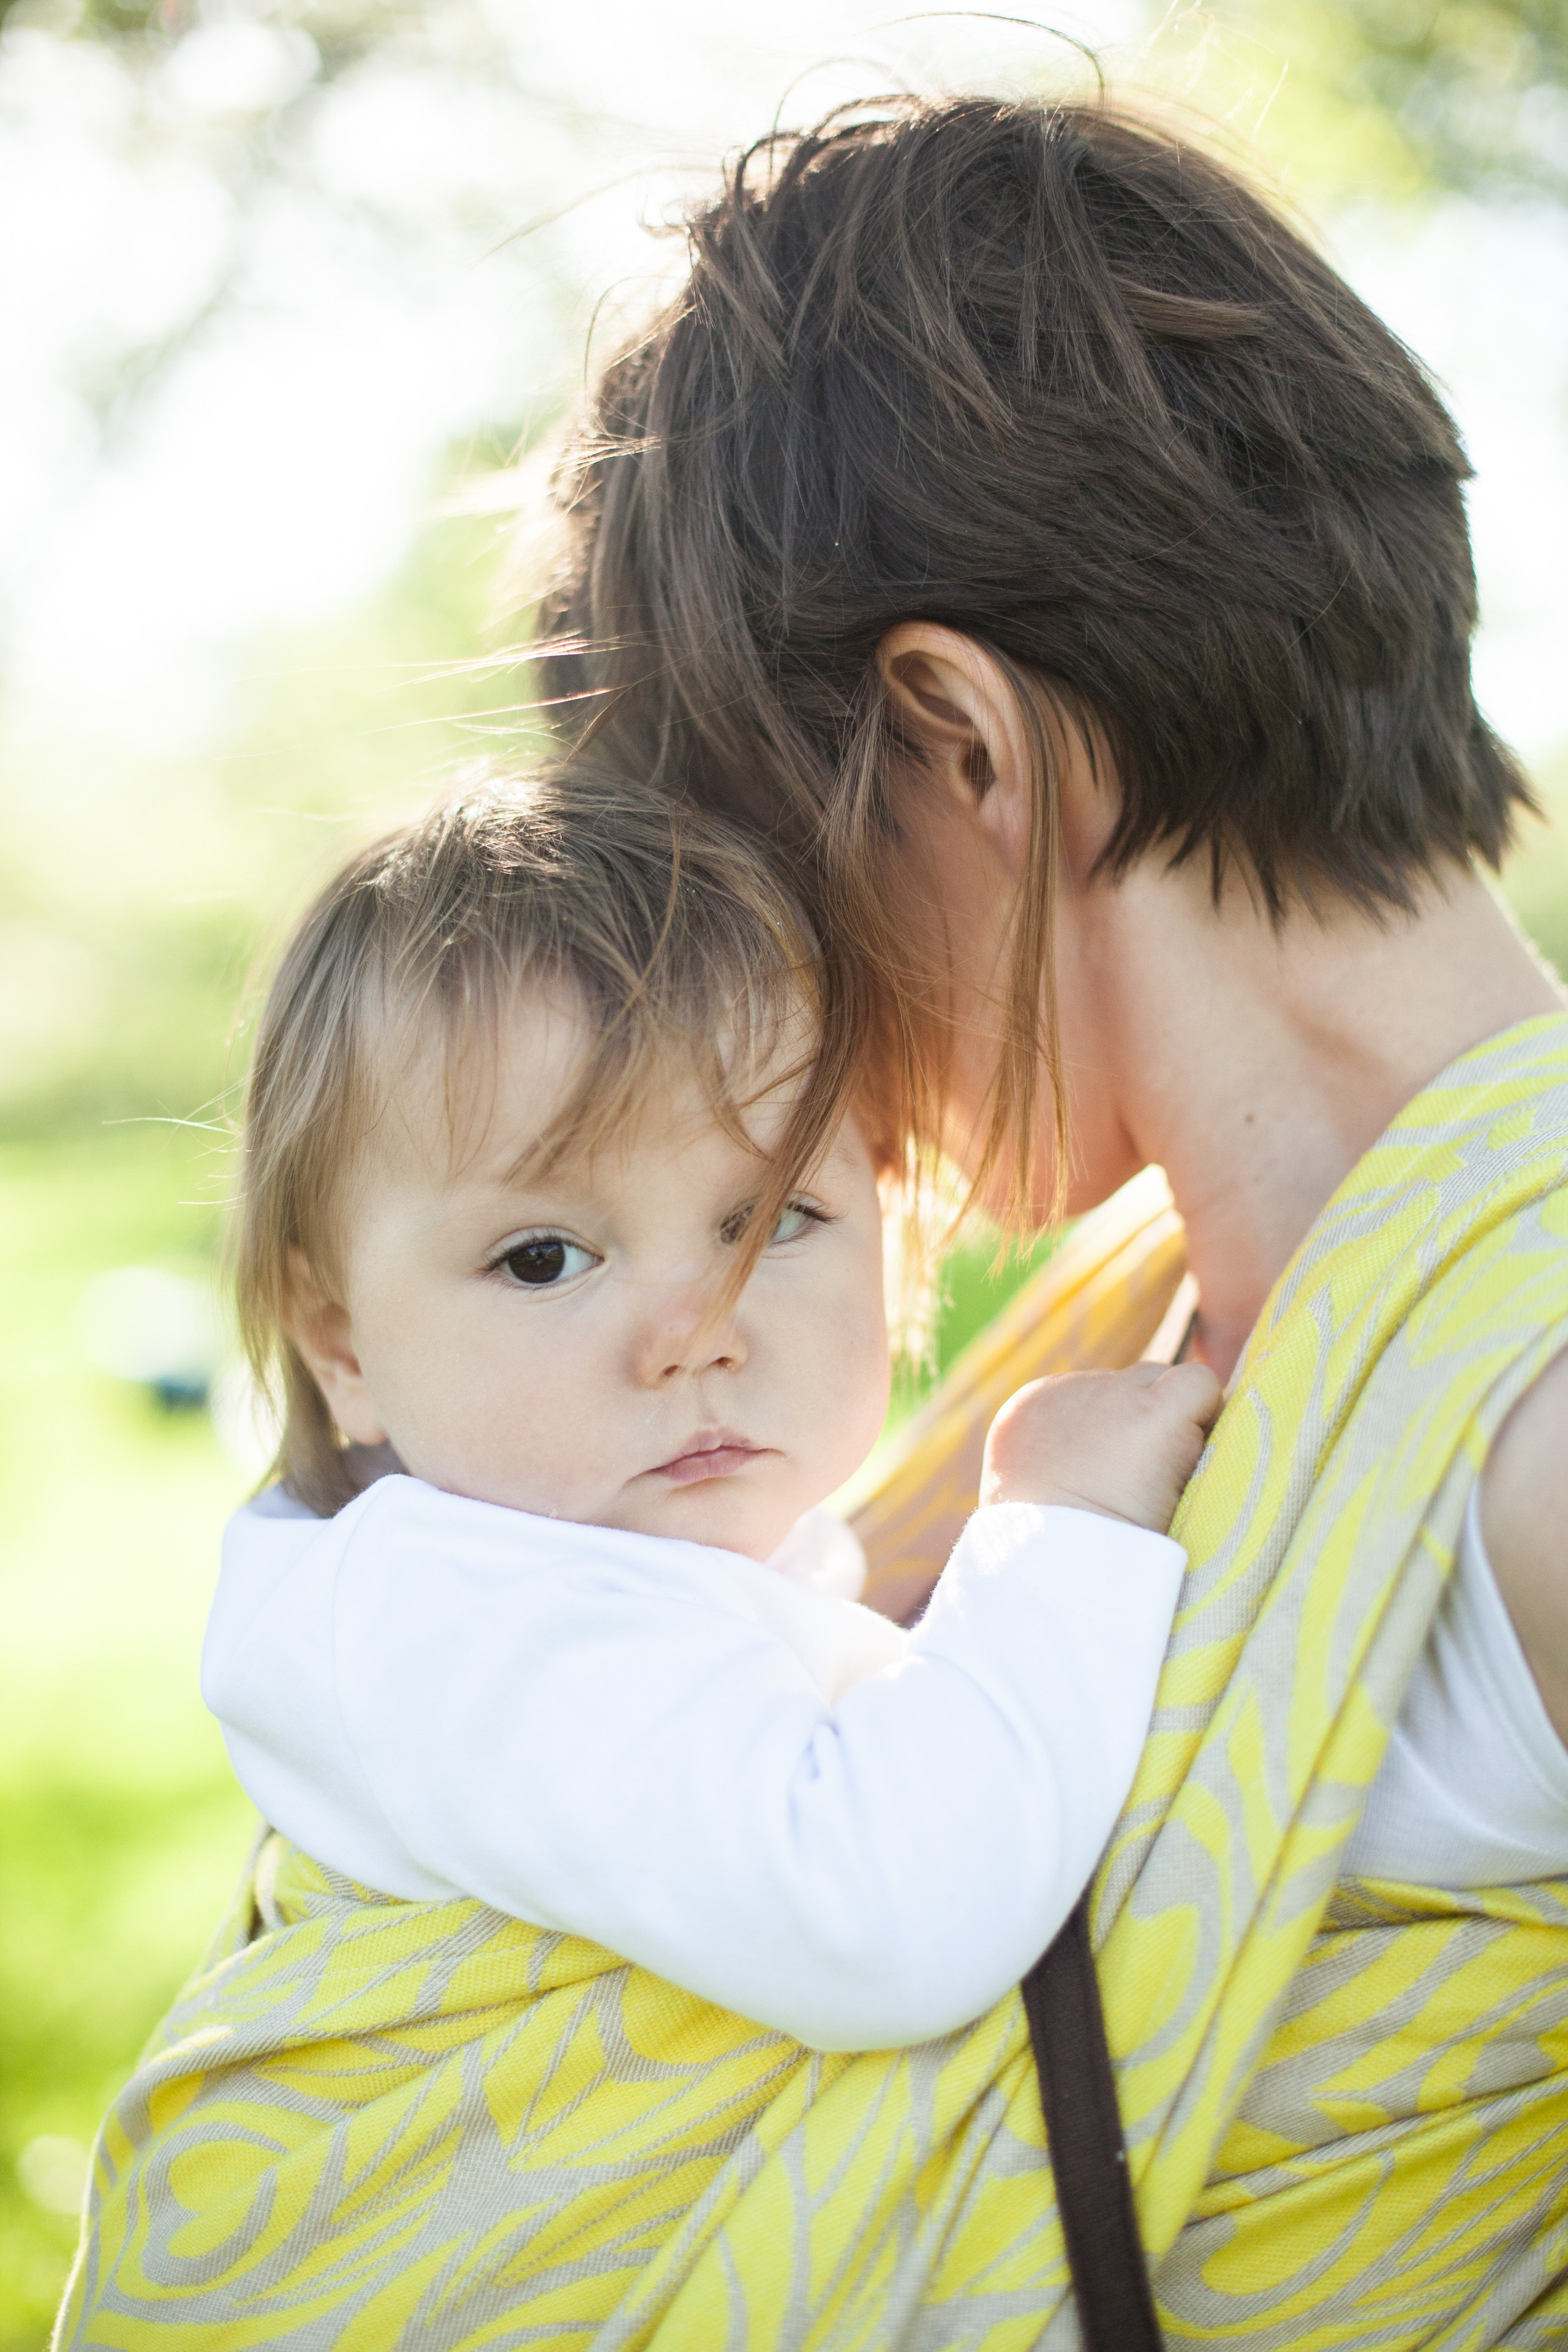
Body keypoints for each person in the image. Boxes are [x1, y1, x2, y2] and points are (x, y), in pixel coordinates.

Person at [56, 96, 1568, 2352]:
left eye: (763, 897)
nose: (765, 1039)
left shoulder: (1529, 1432)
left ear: (960, 749)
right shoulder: (1134, 1327)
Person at [200, 766, 1215, 2053]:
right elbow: (880, 1922)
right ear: (340, 1341)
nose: (696, 1336)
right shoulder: (451, 1622)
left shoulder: (578, 1560)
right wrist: (1061, 1531)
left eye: (773, 1219)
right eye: (541, 1258)